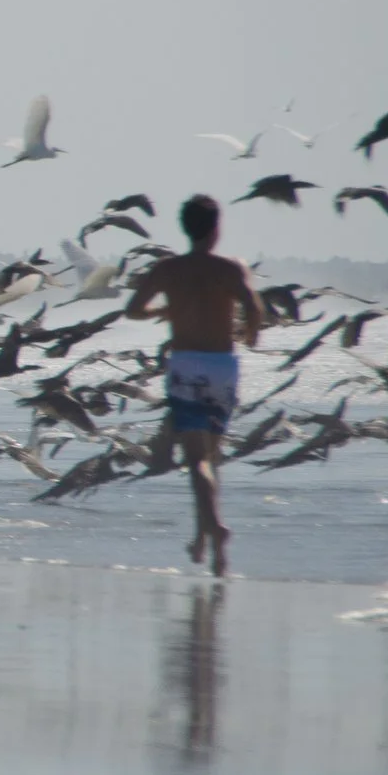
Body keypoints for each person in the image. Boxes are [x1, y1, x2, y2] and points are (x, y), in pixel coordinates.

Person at [124, 193, 263, 576]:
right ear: (216, 229)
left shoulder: (169, 269)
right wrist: (251, 330)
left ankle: (213, 529)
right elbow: (253, 306)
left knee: (197, 459)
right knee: (211, 457)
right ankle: (207, 542)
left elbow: (132, 309)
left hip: (186, 366)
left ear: (186, 228)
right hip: (222, 367)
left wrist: (164, 310)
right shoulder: (231, 268)